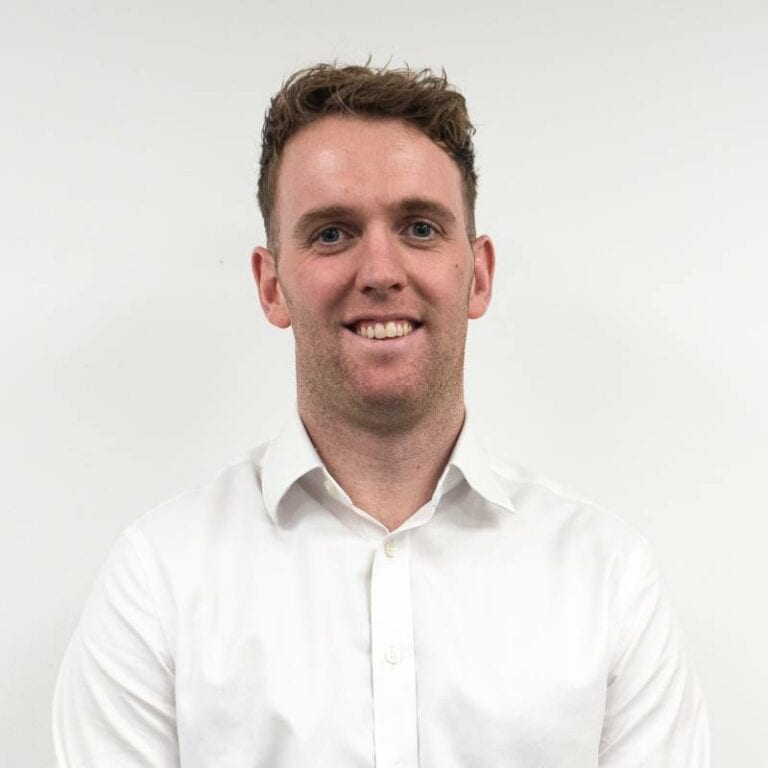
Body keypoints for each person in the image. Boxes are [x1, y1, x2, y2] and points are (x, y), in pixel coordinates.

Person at [52, 63, 710, 767]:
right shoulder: (160, 579)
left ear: (478, 275)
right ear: (271, 285)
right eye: (332, 234)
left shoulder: (606, 575)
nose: (381, 270)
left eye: (420, 228)